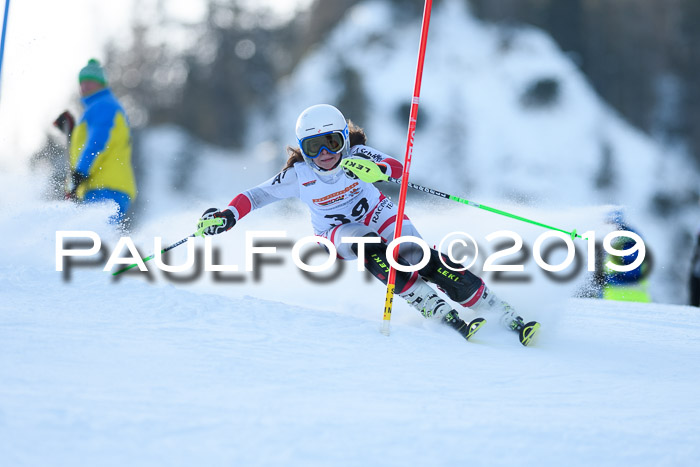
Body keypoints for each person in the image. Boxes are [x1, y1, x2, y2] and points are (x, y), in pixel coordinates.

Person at [197, 104, 539, 345]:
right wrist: (227, 215)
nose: (325, 154)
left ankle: (492, 307)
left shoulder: (357, 157)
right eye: (313, 147)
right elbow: (255, 196)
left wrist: (383, 170)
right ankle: (429, 303)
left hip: (377, 212)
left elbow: (398, 170)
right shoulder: (298, 175)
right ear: (303, 149)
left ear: (344, 138)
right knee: (370, 246)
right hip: (336, 232)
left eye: (331, 142)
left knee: (419, 256)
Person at [57, 59, 137, 225]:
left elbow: (98, 143)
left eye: (90, 81)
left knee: (90, 237)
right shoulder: (96, 109)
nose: (84, 86)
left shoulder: (104, 106)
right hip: (102, 187)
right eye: (82, 82)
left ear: (101, 83)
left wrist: (79, 172)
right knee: (91, 237)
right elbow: (86, 145)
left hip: (106, 187)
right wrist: (71, 132)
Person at [599, 209, 652, 302]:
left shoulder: (629, 243)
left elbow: (632, 274)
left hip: (632, 301)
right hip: (615, 301)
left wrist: (606, 279)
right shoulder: (614, 243)